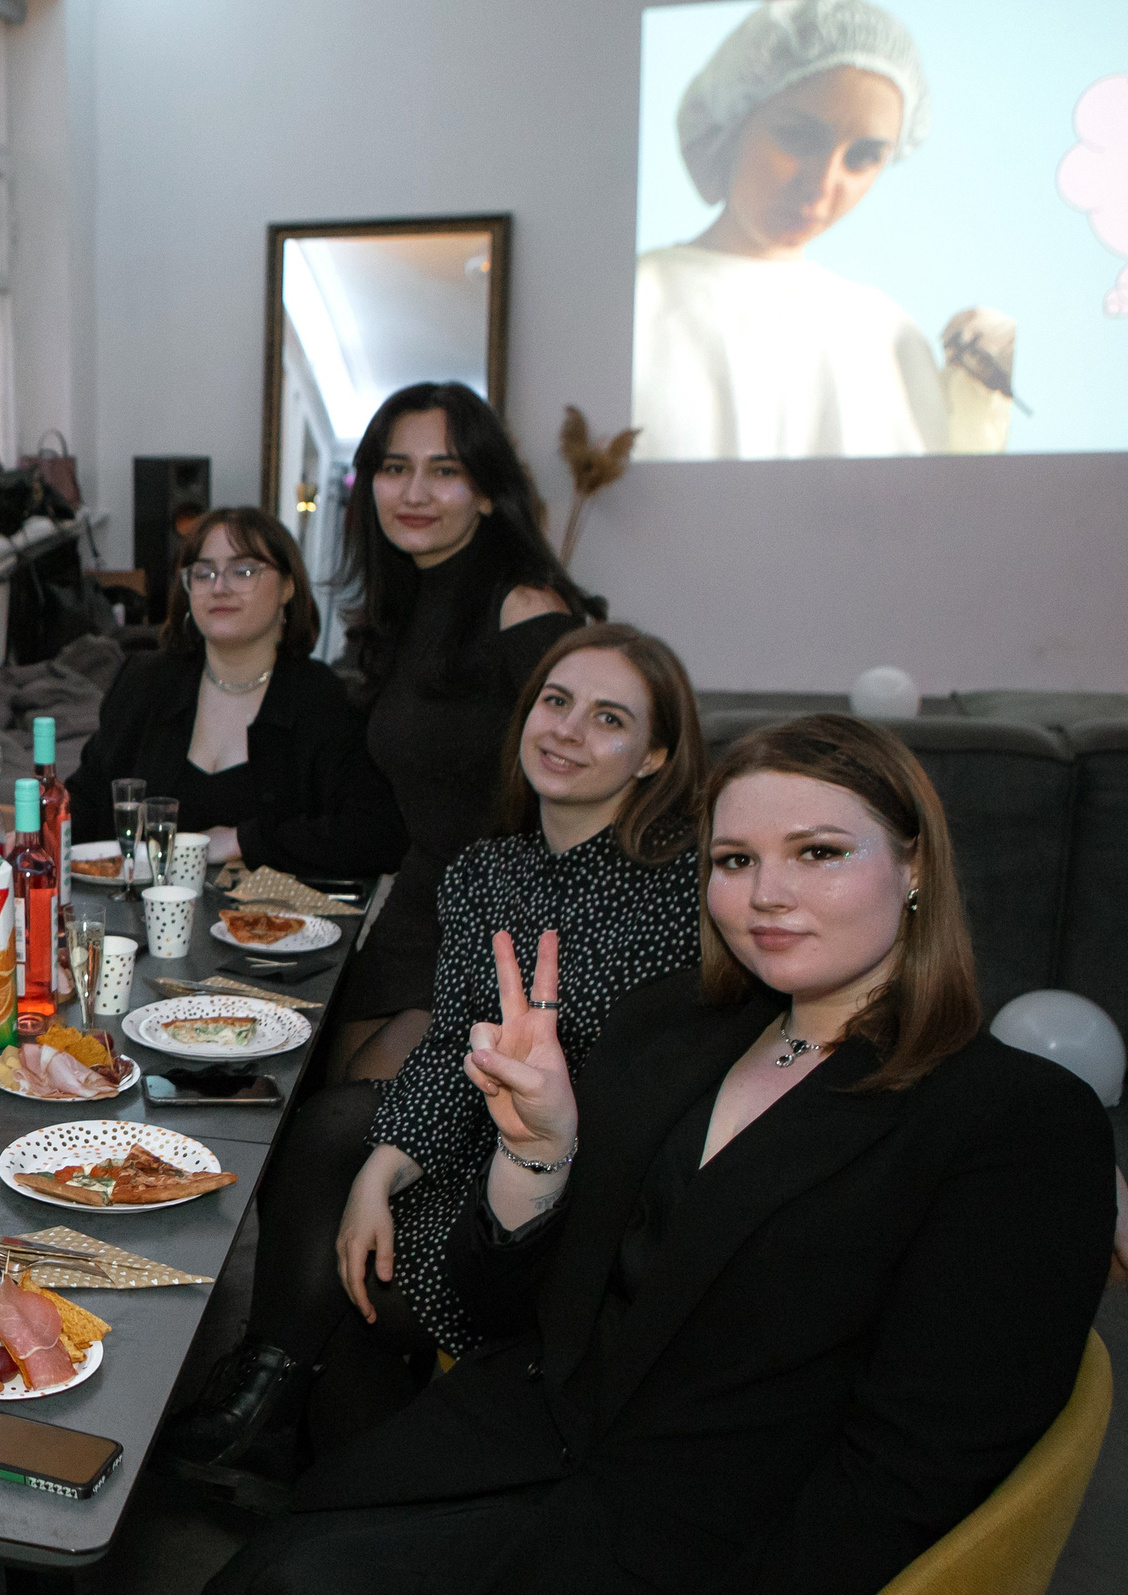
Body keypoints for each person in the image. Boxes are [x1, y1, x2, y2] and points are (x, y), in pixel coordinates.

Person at [154, 714, 1114, 1595]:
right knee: (257, 1592)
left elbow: (919, 1463)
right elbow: (503, 1310)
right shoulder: (675, 1027)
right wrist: (537, 1152)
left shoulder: (1013, 1123)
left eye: (818, 852)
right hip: (525, 1451)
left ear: (912, 866)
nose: (766, 893)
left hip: (706, 1553)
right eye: (734, 858)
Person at [168, 625, 705, 1473]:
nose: (566, 730)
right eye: (556, 702)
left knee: (353, 1280)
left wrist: (405, 1173)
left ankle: (283, 1415)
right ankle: (292, 1425)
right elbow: (455, 1037)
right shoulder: (488, 868)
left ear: (653, 758)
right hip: (491, 1138)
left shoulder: (681, 889)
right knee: (342, 1145)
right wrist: (382, 1173)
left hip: (582, 1190)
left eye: (609, 720)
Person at [326, 381, 597, 1082]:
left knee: (353, 1126)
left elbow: (596, 780)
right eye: (394, 467)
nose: (414, 491)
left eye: (444, 470)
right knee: (303, 1097)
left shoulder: (524, 606)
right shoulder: (405, 606)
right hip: (418, 907)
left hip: (506, 922)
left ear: (484, 492)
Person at [634, 0, 1016, 461]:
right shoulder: (632, 301)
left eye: (863, 157)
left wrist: (980, 416)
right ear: (735, 123)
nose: (821, 184)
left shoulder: (886, 334)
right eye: (799, 138)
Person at [65, 507, 404, 878]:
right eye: (203, 572)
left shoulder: (323, 699)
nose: (219, 587)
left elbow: (377, 835)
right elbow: (87, 799)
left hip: (274, 927)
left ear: (287, 588)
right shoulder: (145, 682)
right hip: (135, 921)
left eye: (244, 571)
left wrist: (244, 841)